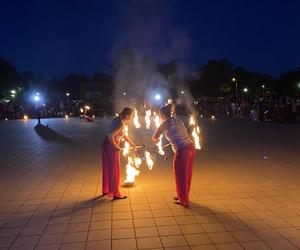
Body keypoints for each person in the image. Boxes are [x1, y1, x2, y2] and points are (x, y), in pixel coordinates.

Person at [152, 104, 195, 207]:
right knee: (187, 173)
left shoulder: (164, 124)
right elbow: (183, 133)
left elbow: (154, 138)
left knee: (180, 175)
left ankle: (183, 200)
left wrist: (156, 141)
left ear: (162, 114)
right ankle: (183, 195)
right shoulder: (178, 120)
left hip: (182, 151)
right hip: (191, 147)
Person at [101, 107, 136, 199]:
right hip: (111, 146)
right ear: (127, 115)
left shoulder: (118, 119)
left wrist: (132, 143)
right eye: (131, 115)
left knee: (108, 168)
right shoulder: (121, 123)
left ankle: (107, 190)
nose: (132, 117)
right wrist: (116, 147)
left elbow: (122, 134)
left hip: (105, 145)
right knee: (114, 170)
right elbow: (110, 135)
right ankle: (115, 194)